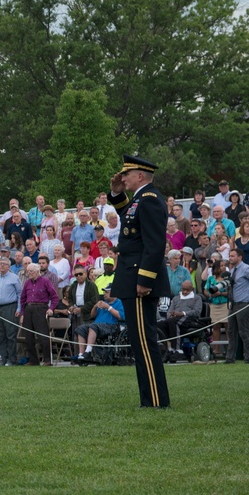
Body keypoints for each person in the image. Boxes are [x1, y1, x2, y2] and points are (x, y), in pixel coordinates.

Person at [108, 155, 170, 408]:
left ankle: (156, 400)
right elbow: (129, 218)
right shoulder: (140, 199)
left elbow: (155, 245)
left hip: (139, 279)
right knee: (138, 340)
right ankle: (150, 398)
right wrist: (116, 193)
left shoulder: (151, 200)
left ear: (140, 176)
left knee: (144, 341)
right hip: (131, 274)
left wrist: (145, 280)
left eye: (126, 174)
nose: (123, 177)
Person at [17, 263, 59, 365]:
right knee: (28, 336)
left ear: (36, 271)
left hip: (40, 308)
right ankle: (33, 360)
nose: (28, 273)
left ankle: (47, 360)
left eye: (30, 271)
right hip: (28, 308)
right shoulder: (27, 283)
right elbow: (22, 299)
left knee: (43, 336)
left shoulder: (45, 281)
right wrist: (22, 313)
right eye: (28, 271)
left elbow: (55, 297)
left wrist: (51, 309)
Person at [71, 288, 125, 363]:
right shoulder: (103, 302)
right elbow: (92, 315)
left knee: (93, 327)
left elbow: (120, 316)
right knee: (81, 328)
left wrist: (108, 307)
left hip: (111, 325)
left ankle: (88, 352)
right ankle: (81, 354)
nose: (104, 294)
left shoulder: (119, 303)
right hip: (98, 325)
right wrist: (95, 306)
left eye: (106, 292)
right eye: (104, 292)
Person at [156, 279, 203, 360]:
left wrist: (182, 313)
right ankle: (169, 349)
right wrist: (171, 314)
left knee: (173, 322)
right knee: (160, 325)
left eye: (187, 290)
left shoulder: (197, 298)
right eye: (183, 289)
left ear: (192, 289)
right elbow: (169, 311)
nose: (184, 292)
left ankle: (178, 350)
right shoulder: (176, 298)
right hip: (174, 318)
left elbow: (197, 312)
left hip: (189, 318)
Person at [0, 257, 22, 366]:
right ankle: (3, 358)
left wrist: (18, 308)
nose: (1, 266)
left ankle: (11, 359)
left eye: (4, 264)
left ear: (8, 266)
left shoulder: (14, 278)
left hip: (10, 307)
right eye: (0, 264)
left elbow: (19, 294)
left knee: (10, 333)